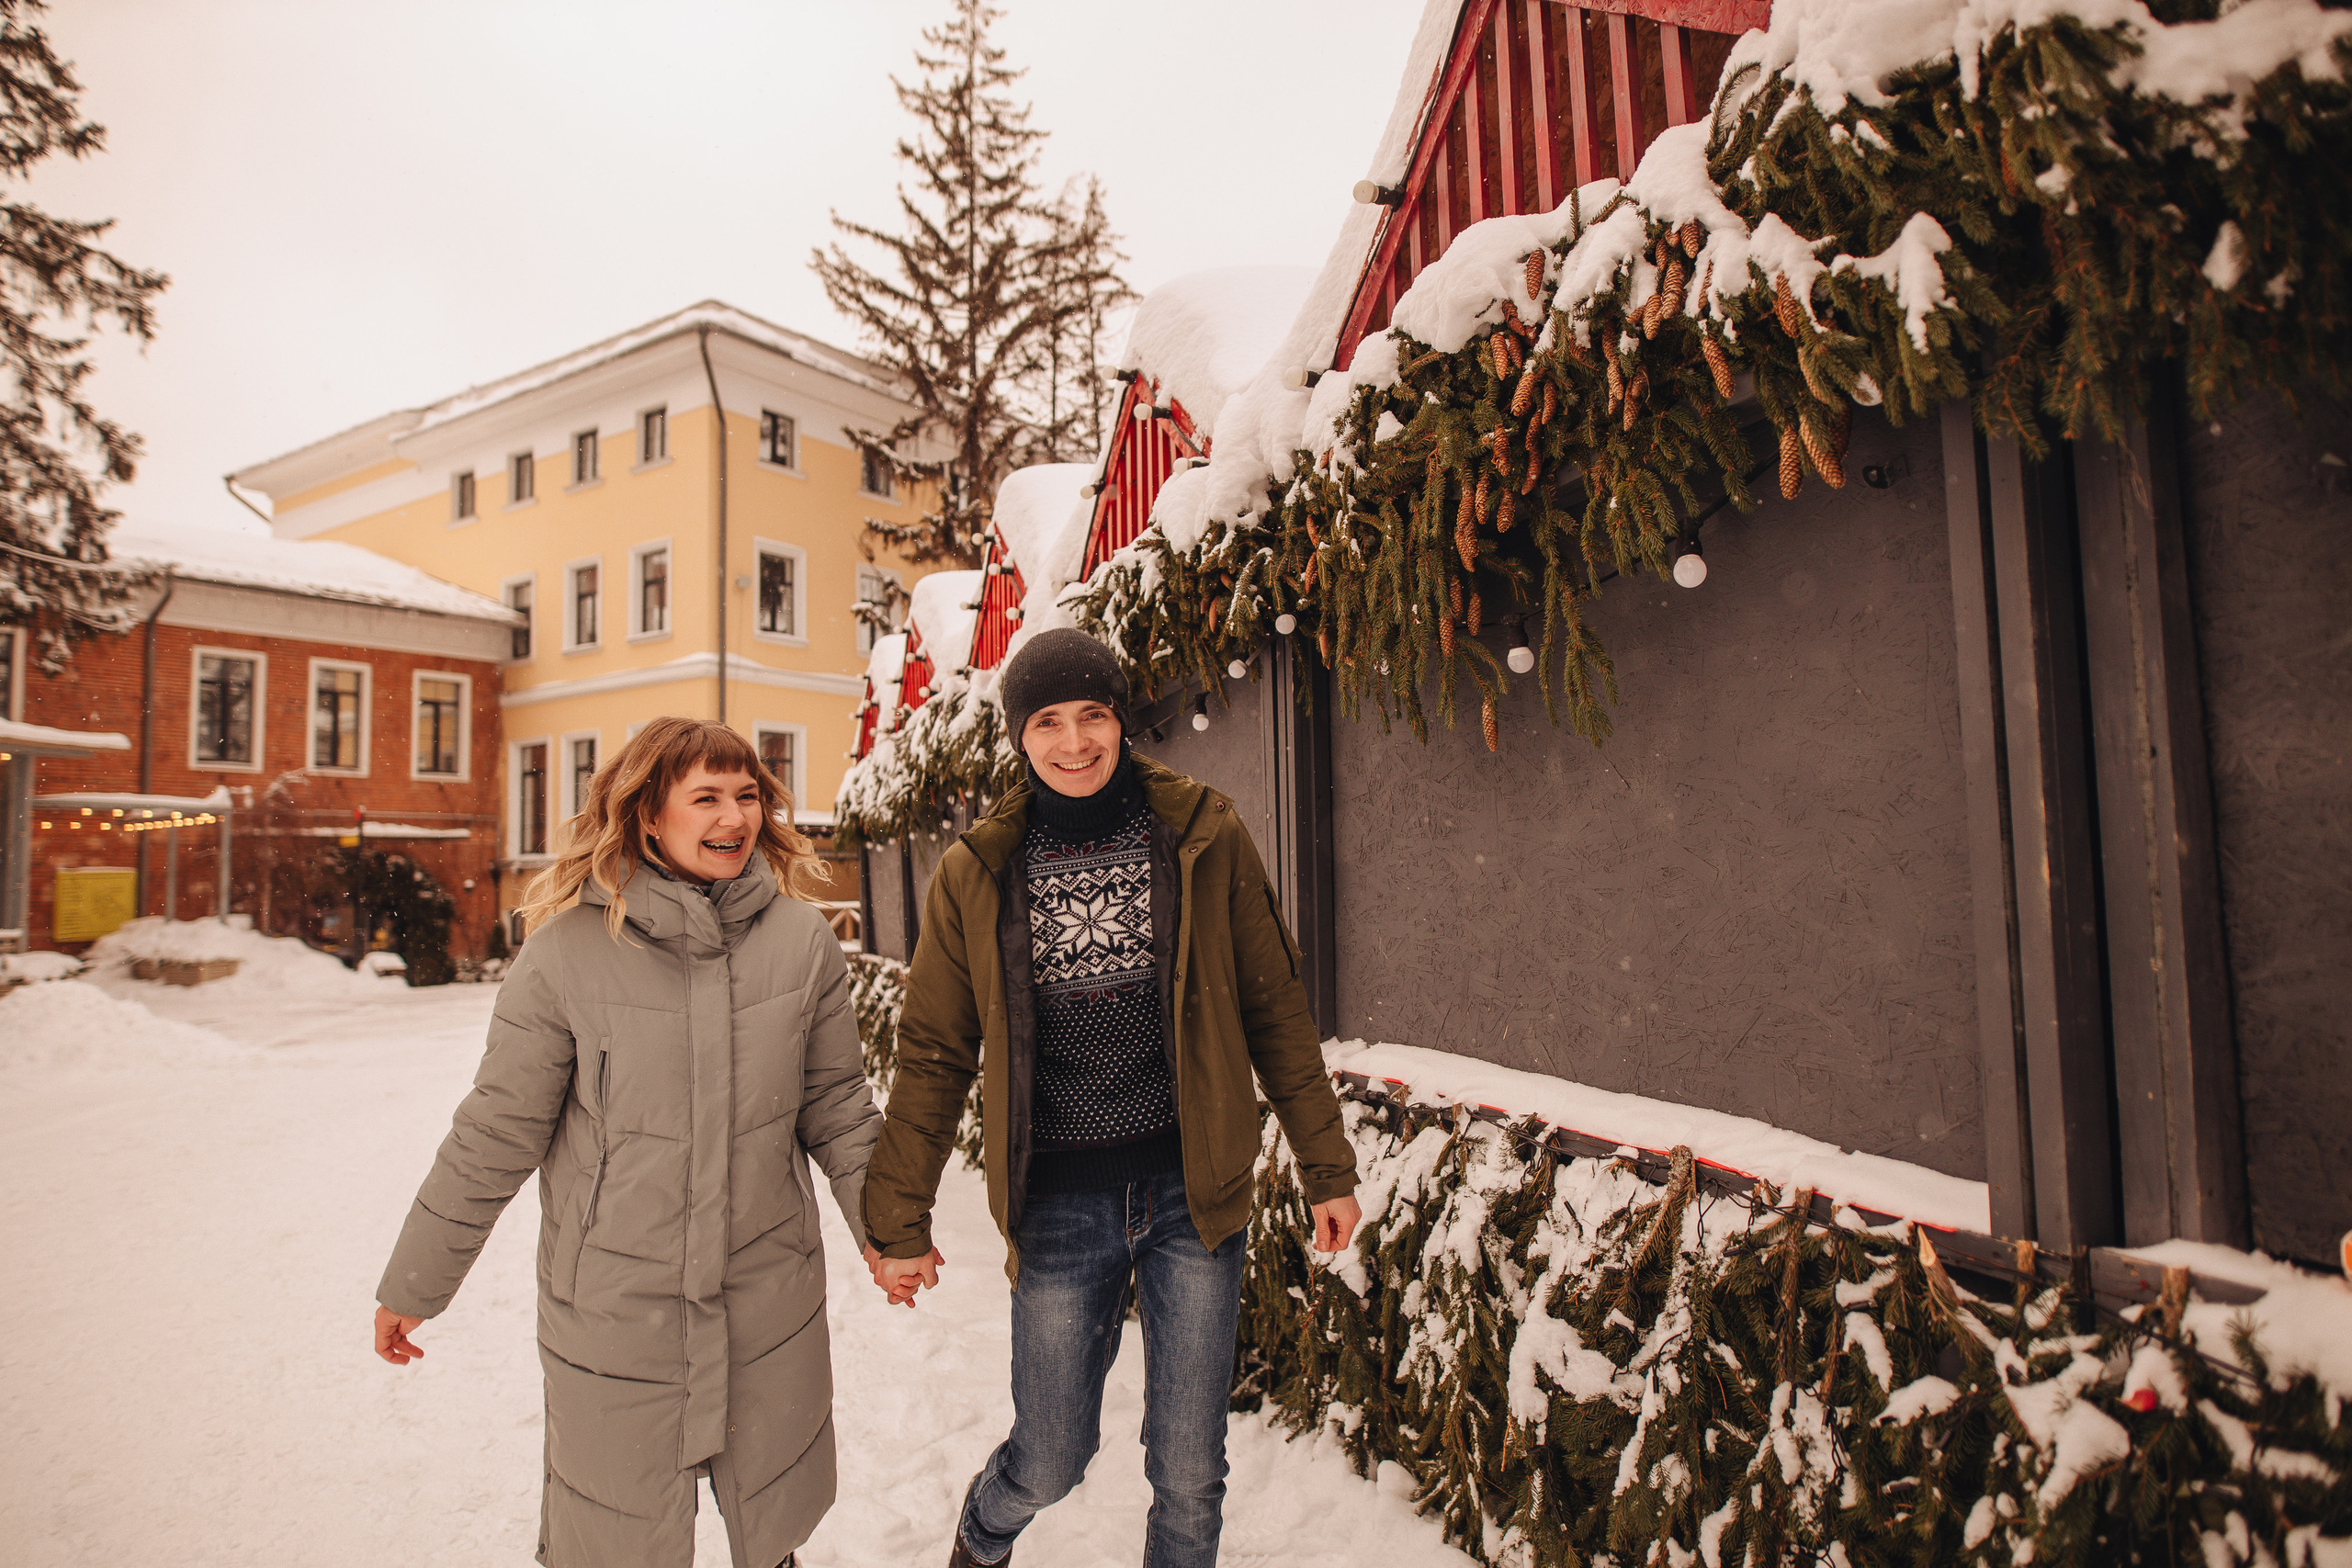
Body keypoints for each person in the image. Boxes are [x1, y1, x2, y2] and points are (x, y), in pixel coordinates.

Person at [861, 628, 1363, 1568]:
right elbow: (933, 1053)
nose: (1075, 741)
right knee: (1051, 1457)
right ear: (1019, 737)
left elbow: (1275, 1012)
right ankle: (986, 1527)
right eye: (1047, 721)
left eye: (1093, 714)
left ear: (1122, 719)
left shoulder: (1202, 834)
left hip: (1192, 1194)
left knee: (1188, 1467)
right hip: (1058, 1202)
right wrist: (896, 1219)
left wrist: (1324, 1166)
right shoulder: (978, 871)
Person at [370, 716, 880, 1568]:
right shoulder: (567, 953)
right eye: (707, 796)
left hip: (766, 1286)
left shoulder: (801, 943)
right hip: (613, 1301)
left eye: (747, 794)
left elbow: (836, 1105)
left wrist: (889, 1233)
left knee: (770, 1521)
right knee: (613, 1531)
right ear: (649, 815)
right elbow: (496, 1130)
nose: (735, 815)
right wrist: (417, 1279)